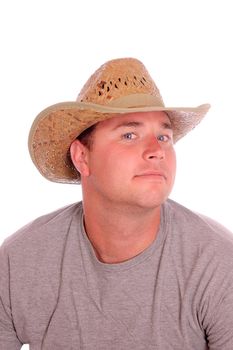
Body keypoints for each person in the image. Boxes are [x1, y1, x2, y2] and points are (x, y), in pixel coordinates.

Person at [0, 57, 233, 350]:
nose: (156, 151)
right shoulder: (18, 262)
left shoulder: (218, 264)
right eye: (129, 134)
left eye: (163, 136)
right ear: (82, 157)